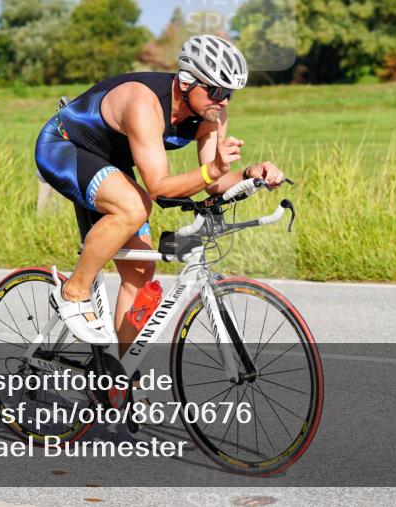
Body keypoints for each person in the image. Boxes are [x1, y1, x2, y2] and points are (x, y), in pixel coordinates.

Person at [34, 34, 286, 345]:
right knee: (135, 205)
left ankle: (118, 372)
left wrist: (250, 173)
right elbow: (158, 187)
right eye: (216, 90)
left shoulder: (212, 113)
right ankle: (73, 291)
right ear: (186, 82)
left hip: (111, 163)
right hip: (64, 147)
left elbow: (214, 182)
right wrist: (213, 169)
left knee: (141, 273)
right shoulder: (144, 103)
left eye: (230, 94)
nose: (223, 101)